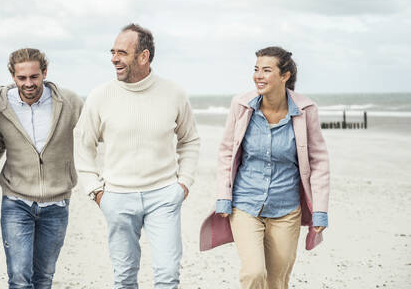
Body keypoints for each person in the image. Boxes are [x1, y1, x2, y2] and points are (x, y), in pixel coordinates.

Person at [74, 23, 200, 288]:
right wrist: (96, 191)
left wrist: (183, 184)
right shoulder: (100, 96)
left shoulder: (174, 93)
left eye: (121, 53)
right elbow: (83, 145)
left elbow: (189, 140)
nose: (114, 59)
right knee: (125, 277)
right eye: (112, 52)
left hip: (164, 195)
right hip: (117, 197)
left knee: (168, 274)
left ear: (143, 57)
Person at [199, 47, 330, 289]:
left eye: (266, 70)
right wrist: (223, 195)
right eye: (256, 69)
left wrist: (320, 209)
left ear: (285, 76)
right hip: (245, 204)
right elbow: (226, 152)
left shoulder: (305, 110)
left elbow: (319, 161)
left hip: (286, 210)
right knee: (253, 273)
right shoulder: (242, 105)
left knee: (277, 282)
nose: (258, 75)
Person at [0, 48, 83, 288]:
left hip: (57, 203)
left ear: (44, 73)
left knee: (44, 278)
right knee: (19, 277)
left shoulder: (69, 101)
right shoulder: (0, 105)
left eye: (34, 77)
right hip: (16, 201)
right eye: (22, 78)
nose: (28, 83)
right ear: (13, 76)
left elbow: (93, 134)